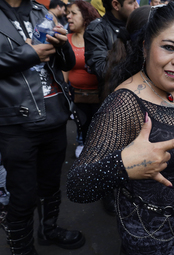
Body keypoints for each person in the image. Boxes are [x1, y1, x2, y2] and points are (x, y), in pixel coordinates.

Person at [67, 2, 174, 254]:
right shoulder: (125, 103)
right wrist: (122, 165)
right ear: (146, 47)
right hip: (144, 237)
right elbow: (76, 186)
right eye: (169, 47)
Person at [0, 0, 85, 254]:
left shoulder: (40, 12)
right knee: (23, 196)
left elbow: (67, 63)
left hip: (54, 117)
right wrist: (29, 54)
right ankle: (22, 249)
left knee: (50, 186)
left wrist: (61, 44)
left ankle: (49, 230)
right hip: (16, 123)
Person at [84, 0, 139, 215]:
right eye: (131, 1)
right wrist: (131, 46)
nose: (136, 5)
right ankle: (110, 194)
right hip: (111, 102)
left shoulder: (139, 23)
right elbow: (101, 69)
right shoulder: (97, 29)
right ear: (115, 4)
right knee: (111, 152)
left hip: (140, 101)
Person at [64, 0, 100, 159]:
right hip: (77, 95)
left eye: (73, 13)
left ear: (85, 16)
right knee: (82, 126)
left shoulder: (98, 38)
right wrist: (66, 92)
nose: (68, 16)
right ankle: (82, 144)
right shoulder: (66, 39)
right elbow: (65, 68)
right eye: (67, 13)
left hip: (99, 95)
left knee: (98, 128)